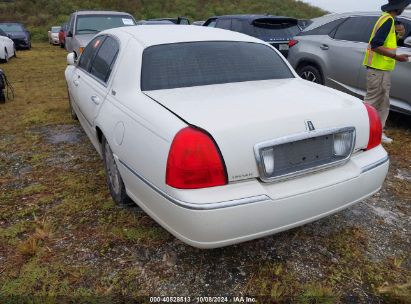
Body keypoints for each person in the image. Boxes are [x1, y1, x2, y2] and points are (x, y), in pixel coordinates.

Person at [363, 0, 411, 144]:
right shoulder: (387, 20)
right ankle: (363, 131)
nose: (404, 8)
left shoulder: (389, 19)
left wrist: (399, 35)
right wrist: (396, 57)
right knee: (372, 103)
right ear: (399, 6)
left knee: (383, 102)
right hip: (378, 69)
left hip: (382, 68)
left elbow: (386, 43)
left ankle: (377, 132)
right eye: (404, 5)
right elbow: (375, 45)